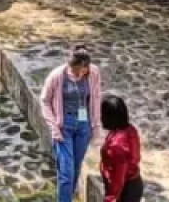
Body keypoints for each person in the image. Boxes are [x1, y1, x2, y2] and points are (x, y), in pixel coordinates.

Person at [42, 47, 103, 202]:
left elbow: (95, 99)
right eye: (78, 71)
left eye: (84, 70)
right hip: (64, 127)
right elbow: (45, 102)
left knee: (75, 167)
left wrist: (95, 128)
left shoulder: (93, 72)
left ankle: (67, 197)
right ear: (71, 66)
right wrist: (54, 129)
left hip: (84, 125)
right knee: (66, 173)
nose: (81, 74)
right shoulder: (56, 76)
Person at [98, 95, 143, 202]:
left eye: (102, 114)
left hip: (124, 191)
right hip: (133, 183)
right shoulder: (129, 129)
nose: (100, 118)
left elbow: (118, 179)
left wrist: (110, 199)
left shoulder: (116, 146)